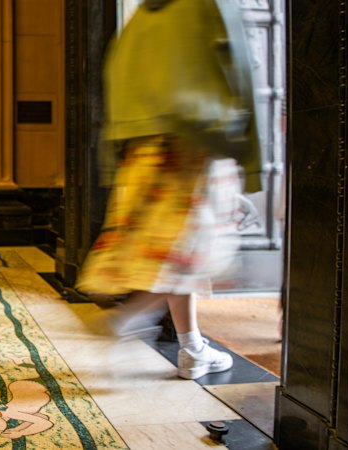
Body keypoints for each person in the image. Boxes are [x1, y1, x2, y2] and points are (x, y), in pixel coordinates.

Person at [75, 0, 262, 380]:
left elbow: (115, 74)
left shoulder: (144, 13)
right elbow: (240, 69)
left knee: (170, 248)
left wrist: (115, 151)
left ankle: (191, 348)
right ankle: (131, 317)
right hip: (197, 137)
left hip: (144, 146)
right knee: (196, 248)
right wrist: (252, 157)